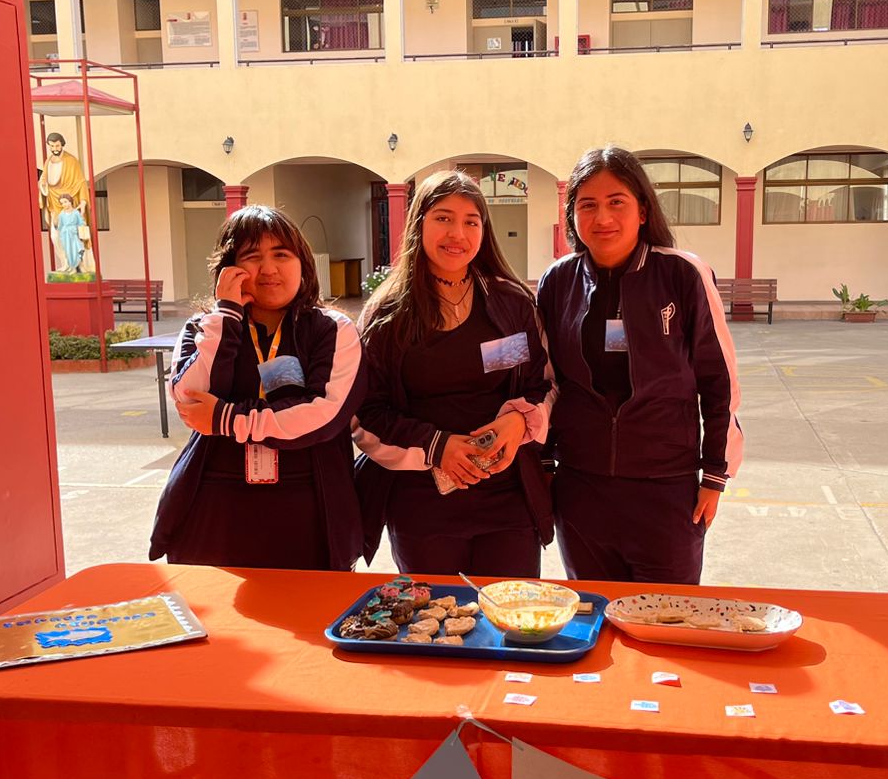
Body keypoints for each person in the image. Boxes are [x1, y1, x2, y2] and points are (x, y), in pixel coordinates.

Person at [536, 145, 742, 584]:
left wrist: (714, 476)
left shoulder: (683, 274)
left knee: (667, 614)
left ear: (643, 210)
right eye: (587, 205)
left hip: (666, 488)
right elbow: (546, 379)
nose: (602, 218)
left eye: (617, 202)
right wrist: (545, 466)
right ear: (572, 216)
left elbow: (718, 381)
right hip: (581, 487)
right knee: (594, 613)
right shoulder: (557, 282)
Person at [353, 171, 554, 577]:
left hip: (508, 497)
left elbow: (542, 384)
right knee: (436, 613)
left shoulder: (512, 303)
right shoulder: (387, 314)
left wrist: (520, 421)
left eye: (470, 221)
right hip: (422, 504)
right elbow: (366, 414)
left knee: (511, 610)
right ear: (419, 224)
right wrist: (436, 446)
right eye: (443, 218)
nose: (457, 234)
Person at [148, 206, 365, 570]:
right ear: (229, 268)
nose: (268, 269)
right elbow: (189, 399)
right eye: (252, 256)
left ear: (303, 263)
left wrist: (227, 418)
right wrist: (226, 315)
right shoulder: (205, 327)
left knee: (309, 606)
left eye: (281, 254)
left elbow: (323, 413)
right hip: (215, 505)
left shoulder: (332, 330)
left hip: (311, 505)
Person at [54, 195, 87, 273]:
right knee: (69, 251)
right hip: (65, 235)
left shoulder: (76, 213)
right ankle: (73, 267)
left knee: (78, 249)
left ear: (70, 201)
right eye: (62, 203)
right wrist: (56, 224)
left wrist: (83, 223)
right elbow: (60, 226)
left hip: (74, 235)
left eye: (65, 202)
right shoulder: (62, 214)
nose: (64, 204)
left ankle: (81, 265)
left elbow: (80, 222)